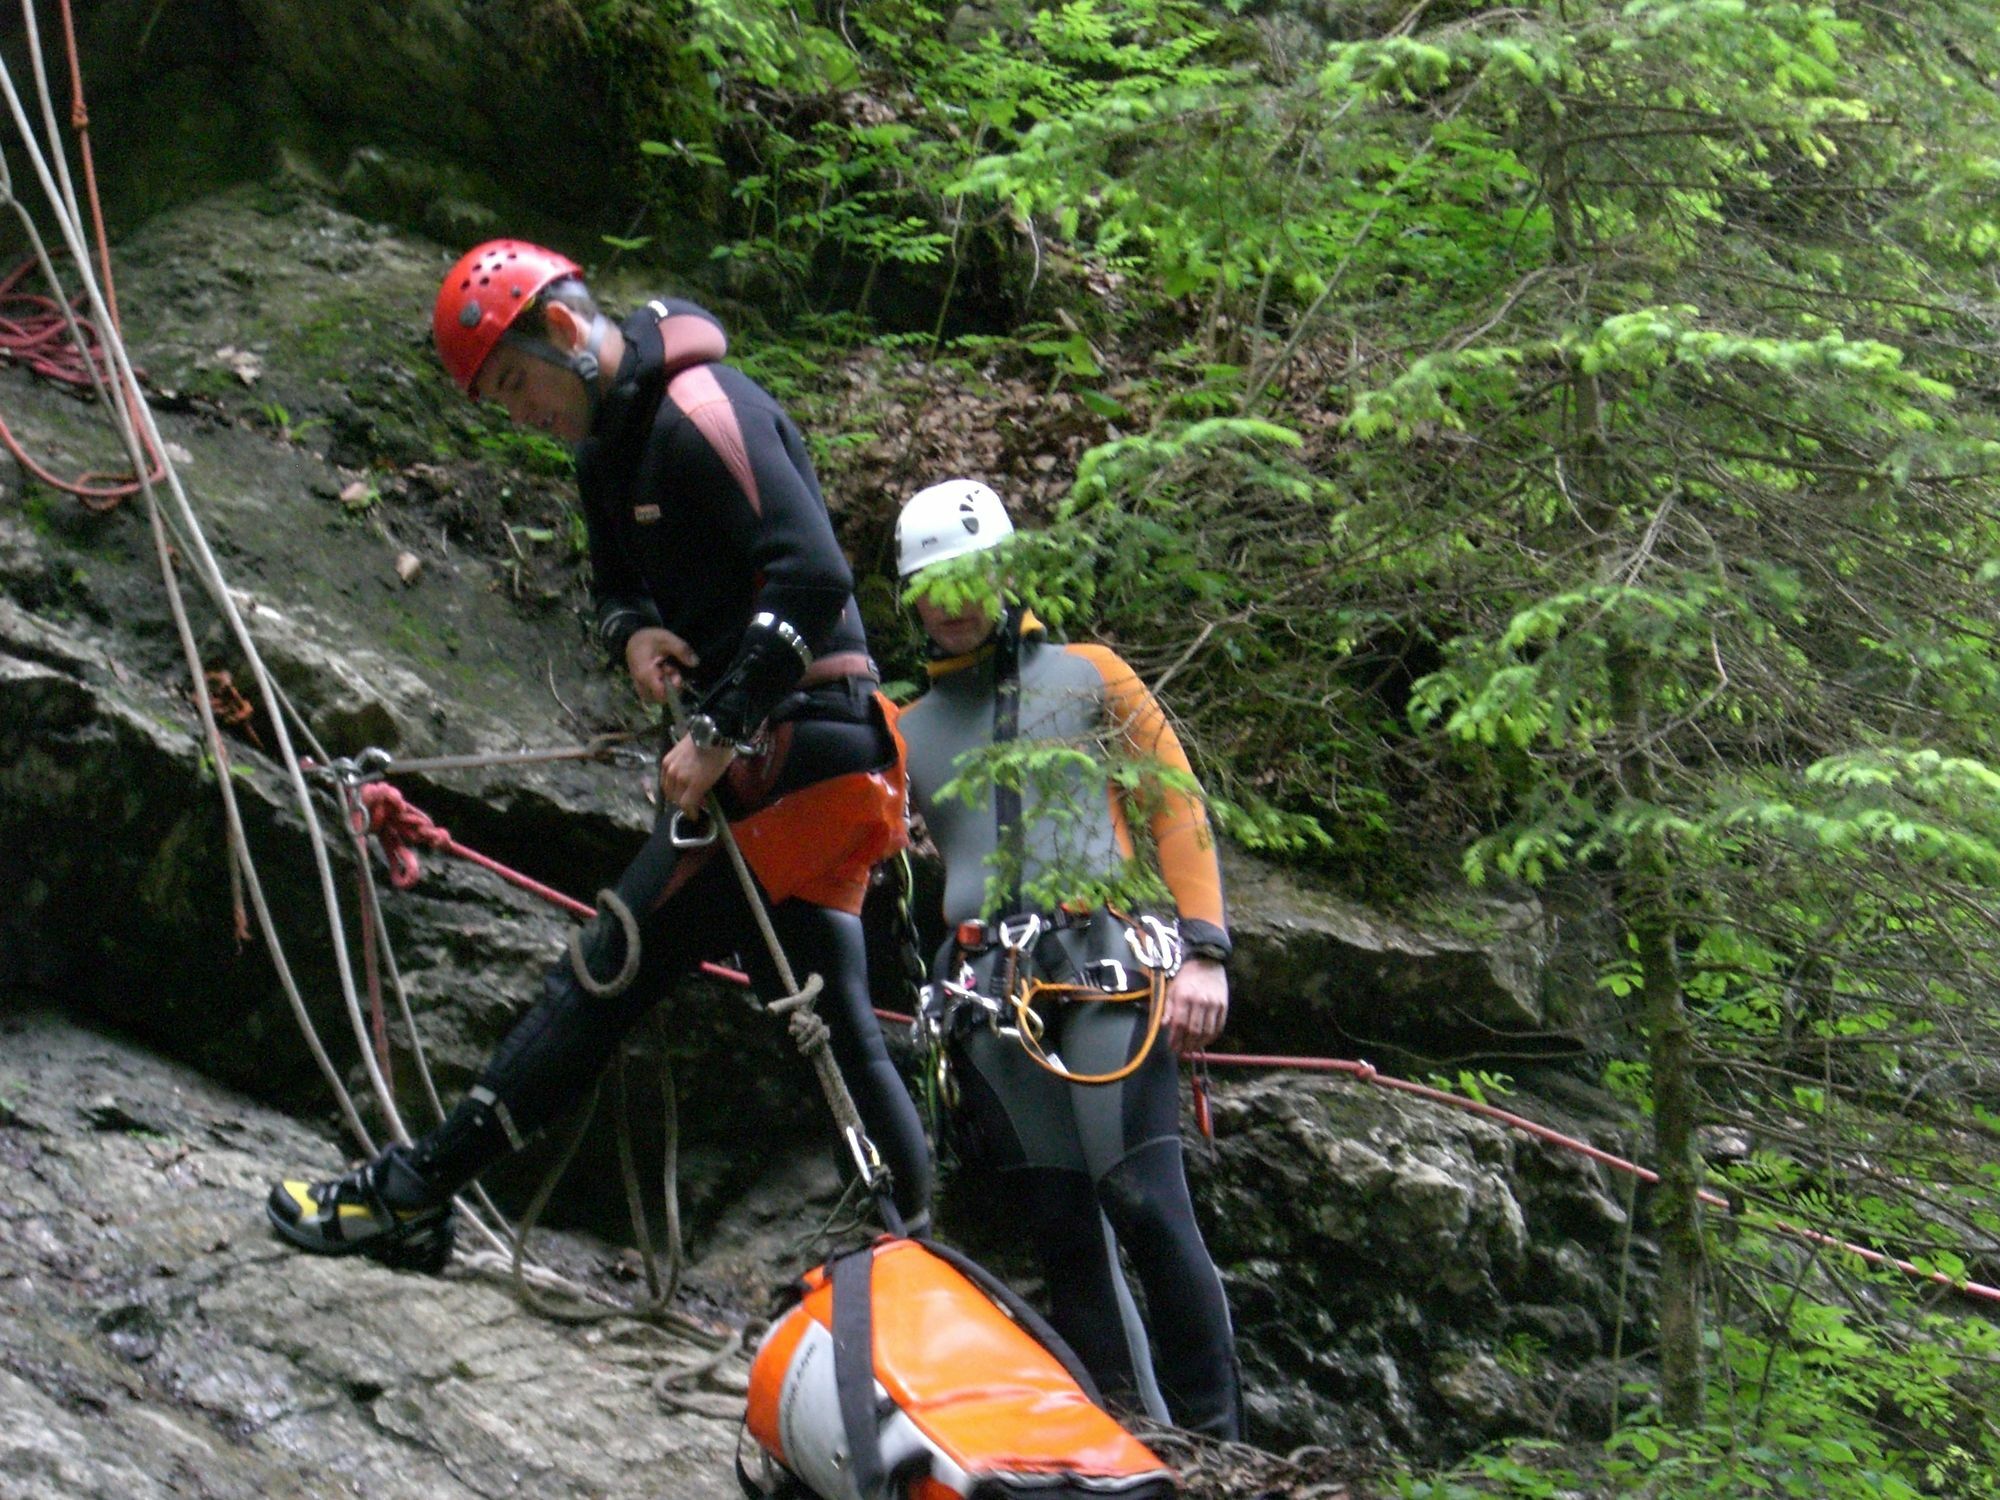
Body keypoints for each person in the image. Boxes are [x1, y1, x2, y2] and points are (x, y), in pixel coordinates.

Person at [267, 241, 932, 1266]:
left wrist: (715, 735)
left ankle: (411, 1192)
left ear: (568, 333)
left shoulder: (706, 408)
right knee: (834, 1017)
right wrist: (634, 634)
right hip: (787, 757)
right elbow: (619, 587)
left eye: (518, 382)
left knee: (608, 963)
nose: (520, 410)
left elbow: (811, 579)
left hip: (800, 748)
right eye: (498, 400)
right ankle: (917, 1254)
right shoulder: (605, 456)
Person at [892, 477, 1243, 1440]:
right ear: (910, 601)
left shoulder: (1091, 676)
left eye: (971, 577)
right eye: (932, 585)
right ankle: (1129, 1441)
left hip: (1107, 970)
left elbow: (1174, 805)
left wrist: (1206, 952)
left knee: (1144, 1201)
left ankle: (1218, 1447)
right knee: (1062, 1232)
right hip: (987, 1002)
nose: (954, 601)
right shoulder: (903, 729)